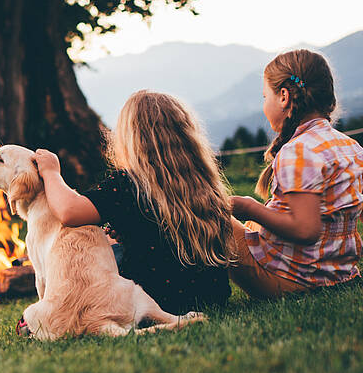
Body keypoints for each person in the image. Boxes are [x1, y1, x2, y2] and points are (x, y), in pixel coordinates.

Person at [230, 49, 363, 299]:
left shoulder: (296, 152)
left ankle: (198, 292)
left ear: (283, 97)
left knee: (214, 221)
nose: (263, 105)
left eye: (264, 96)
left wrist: (247, 206)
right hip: (335, 277)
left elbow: (306, 230)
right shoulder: (349, 148)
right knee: (253, 224)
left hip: (289, 282)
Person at [33, 90, 235, 314]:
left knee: (97, 257)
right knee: (114, 245)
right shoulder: (204, 181)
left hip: (155, 301)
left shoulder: (128, 184)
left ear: (131, 139)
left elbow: (69, 211)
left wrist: (51, 172)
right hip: (213, 297)